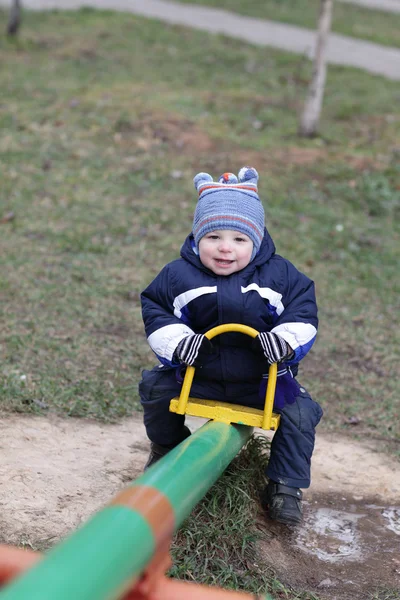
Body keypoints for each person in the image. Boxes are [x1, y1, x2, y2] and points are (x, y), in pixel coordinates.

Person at [139, 167, 323, 525]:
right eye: (214, 237)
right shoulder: (178, 275)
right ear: (197, 237)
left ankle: (285, 485)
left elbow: (303, 312)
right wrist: (179, 344)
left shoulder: (281, 276)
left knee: (302, 413)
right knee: (156, 388)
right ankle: (166, 446)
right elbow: (157, 309)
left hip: (263, 384)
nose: (225, 247)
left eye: (239, 239)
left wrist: (284, 342)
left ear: (256, 241)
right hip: (199, 373)